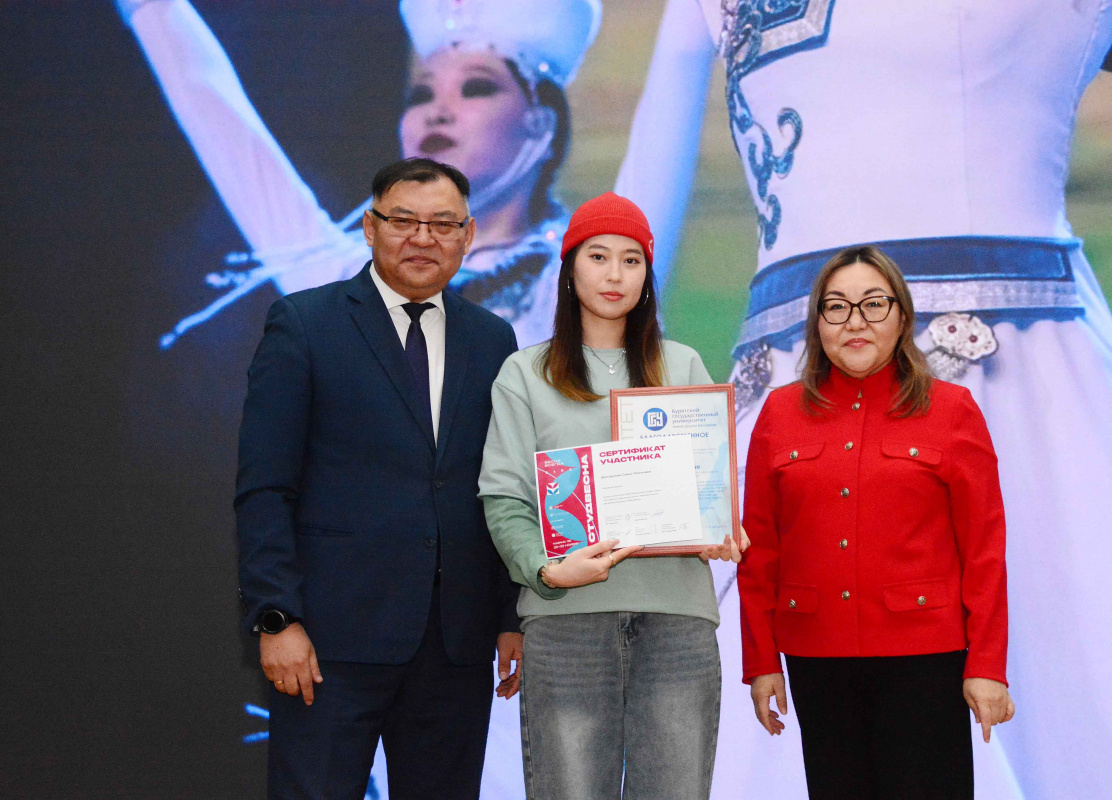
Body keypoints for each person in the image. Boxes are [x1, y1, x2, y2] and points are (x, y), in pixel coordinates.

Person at [615, 2, 1112, 796]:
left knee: (1045, 698)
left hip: (1007, 382)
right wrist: (593, 380)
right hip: (785, 393)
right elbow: (641, 195)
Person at [235, 158, 520, 799]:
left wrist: (511, 616)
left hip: (455, 647)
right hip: (327, 644)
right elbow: (265, 489)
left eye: (443, 224)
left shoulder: (492, 339)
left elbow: (500, 487)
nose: (423, 238)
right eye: (403, 221)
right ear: (370, 227)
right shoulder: (305, 324)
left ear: (468, 235)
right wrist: (277, 618)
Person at [116, 0, 600, 349]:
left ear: (541, 126)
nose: (436, 112)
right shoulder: (350, 282)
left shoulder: (586, 285)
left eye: (476, 88)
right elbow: (220, 121)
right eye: (421, 95)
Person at [477, 192, 748, 799]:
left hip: (676, 622)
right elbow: (504, 497)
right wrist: (547, 570)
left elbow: (710, 484)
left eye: (632, 260)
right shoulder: (525, 373)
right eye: (598, 256)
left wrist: (723, 525)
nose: (615, 274)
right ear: (570, 268)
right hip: (565, 623)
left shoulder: (683, 364)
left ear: (648, 275)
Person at [739, 246, 1012, 800]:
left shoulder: (951, 409)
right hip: (816, 661)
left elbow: (984, 548)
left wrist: (987, 665)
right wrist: (762, 660)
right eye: (836, 307)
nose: (855, 322)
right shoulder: (779, 414)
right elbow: (759, 548)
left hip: (927, 661)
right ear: (817, 323)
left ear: (903, 317)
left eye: (873, 304)